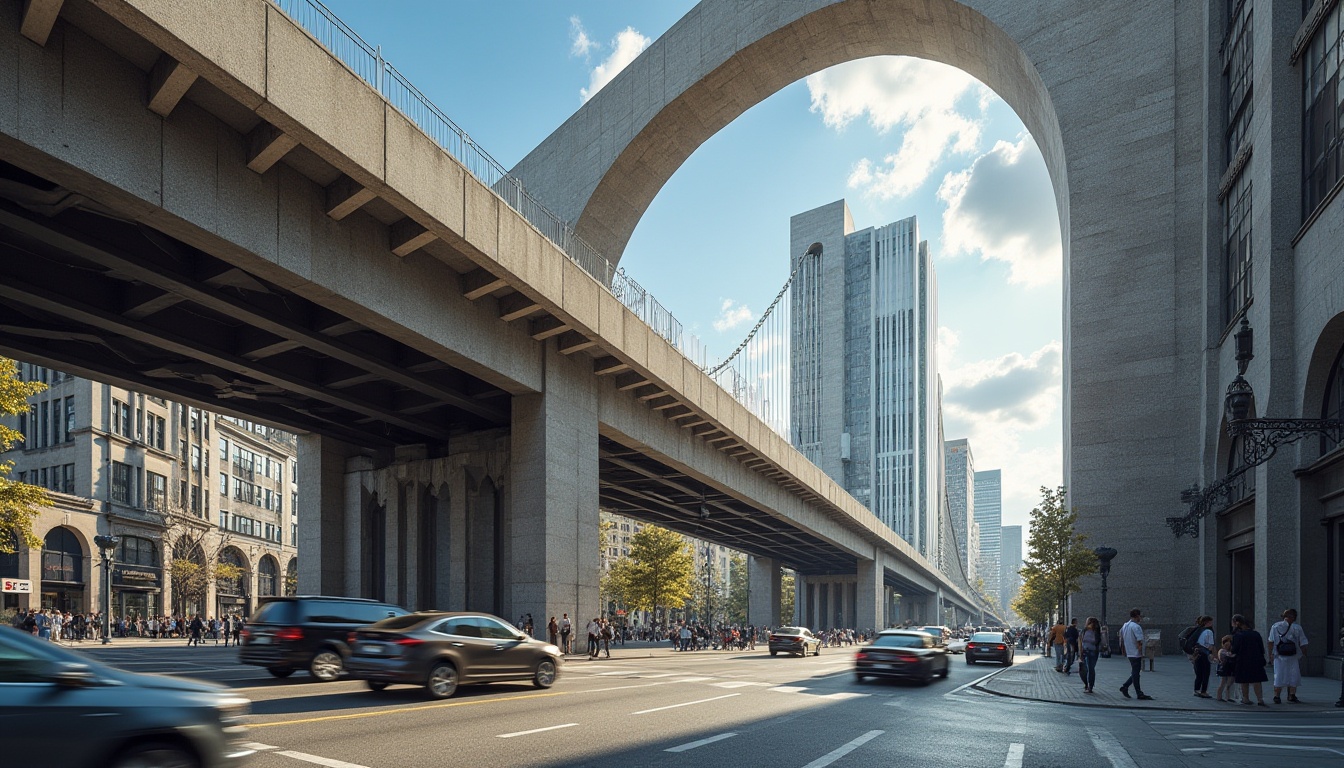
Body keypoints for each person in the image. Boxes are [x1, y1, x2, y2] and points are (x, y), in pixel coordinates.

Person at [1267, 608, 1307, 704]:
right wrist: (1304, 653)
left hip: (1279, 655)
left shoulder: (1275, 626)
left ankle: (1277, 696)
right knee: (1294, 674)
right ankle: (1292, 695)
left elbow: (1270, 641)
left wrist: (1270, 654)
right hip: (1293, 655)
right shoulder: (1297, 628)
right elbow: (1303, 642)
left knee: (1279, 675)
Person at [1229, 613, 1267, 706]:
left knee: (1244, 680)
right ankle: (1260, 699)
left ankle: (1245, 698)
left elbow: (1234, 649)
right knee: (1257, 680)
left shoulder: (1238, 635)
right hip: (1256, 660)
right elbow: (1262, 648)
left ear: (1237, 623)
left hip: (1242, 660)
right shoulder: (1256, 634)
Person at [1118, 607, 1153, 700]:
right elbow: (1139, 641)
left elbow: (1121, 638)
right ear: (1137, 616)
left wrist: (1123, 650)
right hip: (1135, 652)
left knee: (1135, 672)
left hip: (1129, 651)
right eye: (1140, 617)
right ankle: (1138, 692)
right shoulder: (1136, 627)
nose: (1140, 619)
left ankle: (1126, 687)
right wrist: (1141, 653)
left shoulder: (1125, 625)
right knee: (1136, 672)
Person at [1190, 615, 1214, 698]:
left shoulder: (1198, 630)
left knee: (1199, 673)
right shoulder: (1209, 632)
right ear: (1207, 622)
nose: (1212, 623)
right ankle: (1203, 691)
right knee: (1206, 673)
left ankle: (1196, 690)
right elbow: (1210, 645)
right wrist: (1211, 653)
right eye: (1211, 622)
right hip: (1204, 653)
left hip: (1196, 653)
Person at [1078, 616, 1101, 694]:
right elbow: (1080, 642)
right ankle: (1086, 684)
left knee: (1091, 669)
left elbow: (1097, 642)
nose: (1086, 623)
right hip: (1085, 652)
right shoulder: (1084, 631)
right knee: (1082, 670)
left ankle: (1090, 686)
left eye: (1087, 621)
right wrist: (1080, 652)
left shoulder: (1096, 631)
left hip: (1093, 652)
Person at [1214, 635, 1236, 702]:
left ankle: (1228, 696)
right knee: (1223, 683)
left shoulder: (1223, 650)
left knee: (1229, 683)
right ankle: (1219, 696)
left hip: (1229, 668)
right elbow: (1230, 655)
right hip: (1224, 668)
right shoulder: (1222, 651)